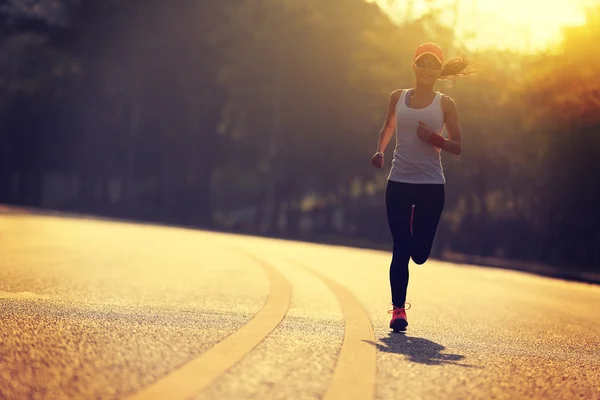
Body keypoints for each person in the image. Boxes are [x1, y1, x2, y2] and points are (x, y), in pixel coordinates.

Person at [371, 42, 471, 332]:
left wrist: (433, 138)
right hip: (399, 183)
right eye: (422, 63)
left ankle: (418, 227)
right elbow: (388, 126)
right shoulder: (397, 97)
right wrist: (380, 151)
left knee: (420, 255)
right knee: (400, 248)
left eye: (433, 65)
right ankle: (398, 311)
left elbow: (457, 146)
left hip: (430, 186)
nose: (427, 69)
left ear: (439, 70)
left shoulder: (445, 104)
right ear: (413, 65)